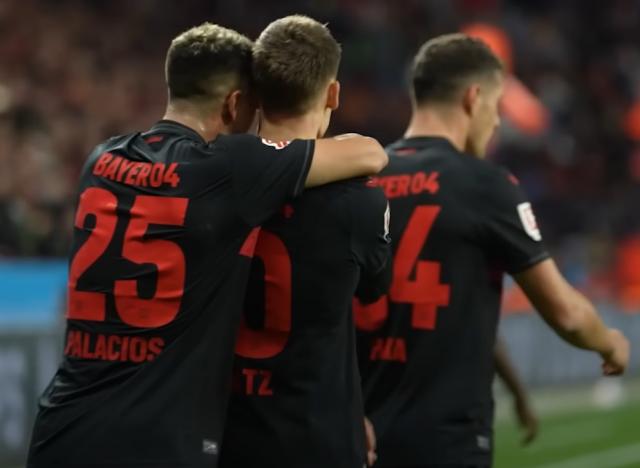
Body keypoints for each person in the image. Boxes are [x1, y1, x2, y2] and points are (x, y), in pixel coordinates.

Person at [27, 22, 388, 468]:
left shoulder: (101, 159)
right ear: (236, 103)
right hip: (153, 441)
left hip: (60, 428)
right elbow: (368, 153)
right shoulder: (226, 169)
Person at [355, 33, 629, 468]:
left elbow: (455, 308)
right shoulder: (484, 185)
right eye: (496, 106)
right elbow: (568, 313)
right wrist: (610, 344)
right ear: (473, 97)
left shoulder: (362, 179)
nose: (498, 123)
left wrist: (517, 390)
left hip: (361, 436)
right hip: (447, 438)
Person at [219, 16, 391, 468]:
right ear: (333, 93)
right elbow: (373, 291)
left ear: (253, 91)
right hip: (320, 438)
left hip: (221, 435)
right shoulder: (362, 203)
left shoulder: (208, 178)